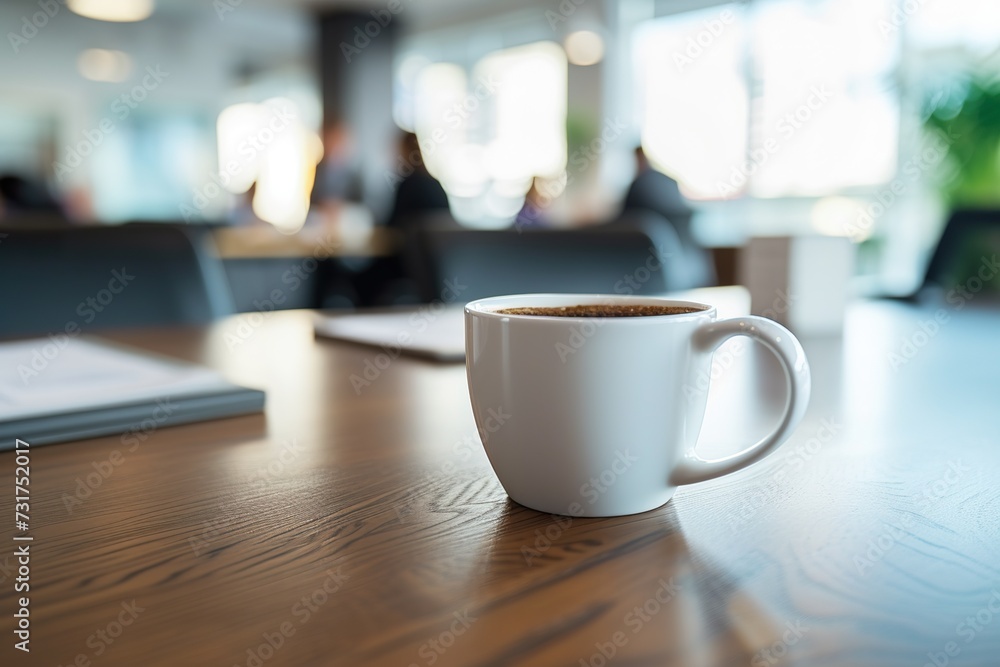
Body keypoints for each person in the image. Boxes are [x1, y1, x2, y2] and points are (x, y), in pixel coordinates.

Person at [621, 147, 714, 287]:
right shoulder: (669, 182)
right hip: (688, 261)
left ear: (638, 158)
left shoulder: (640, 185)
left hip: (651, 262)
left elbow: (624, 221)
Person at [385, 132, 449, 229]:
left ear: (406, 151)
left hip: (415, 242)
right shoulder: (436, 183)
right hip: (442, 243)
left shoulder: (409, 185)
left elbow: (393, 225)